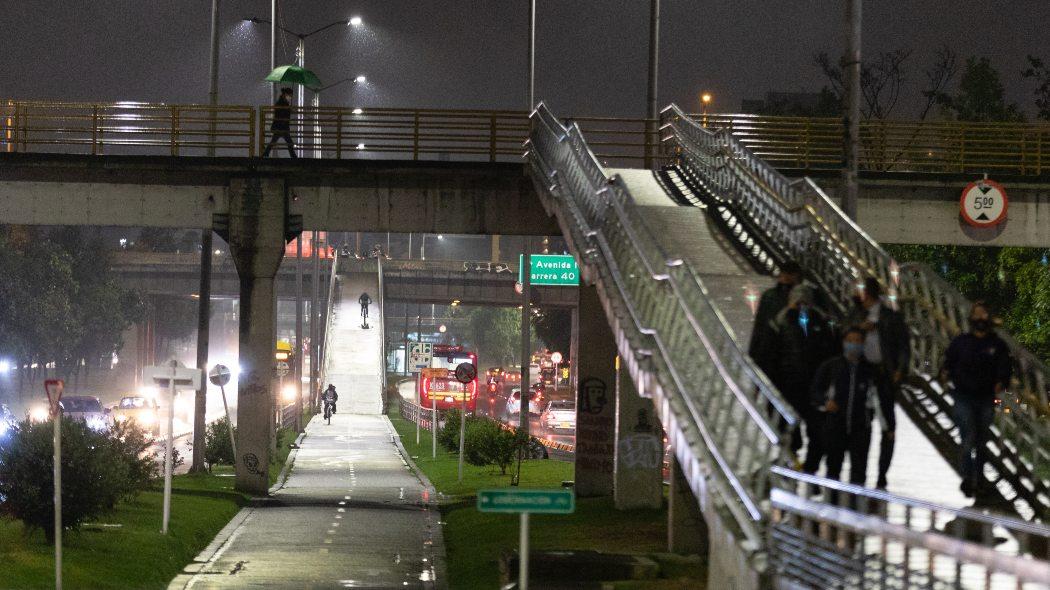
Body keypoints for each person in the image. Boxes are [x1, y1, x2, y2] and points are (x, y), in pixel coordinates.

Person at [942, 302, 1011, 498]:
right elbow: (949, 362)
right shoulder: (961, 342)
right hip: (963, 396)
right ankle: (967, 475)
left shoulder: (997, 345)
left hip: (986, 398)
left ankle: (978, 477)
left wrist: (1001, 383)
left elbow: (1005, 369)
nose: (980, 319)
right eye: (977, 315)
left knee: (981, 441)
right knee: (968, 436)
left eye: (984, 315)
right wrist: (946, 374)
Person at [811, 326, 894, 485]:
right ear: (843, 342)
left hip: (861, 427)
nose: (854, 345)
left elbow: (882, 400)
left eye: (857, 341)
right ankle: (832, 503)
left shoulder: (870, 372)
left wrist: (889, 426)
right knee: (833, 468)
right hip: (835, 425)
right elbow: (815, 391)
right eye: (850, 341)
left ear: (863, 344)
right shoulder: (831, 367)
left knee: (859, 471)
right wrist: (825, 403)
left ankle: (855, 504)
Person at [767, 284, 839, 464]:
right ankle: (791, 462)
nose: (801, 305)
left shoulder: (821, 322)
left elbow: (831, 351)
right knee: (788, 430)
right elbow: (769, 351)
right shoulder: (781, 321)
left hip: (813, 386)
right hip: (788, 384)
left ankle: (809, 470)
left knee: (817, 432)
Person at [849, 277, 908, 489]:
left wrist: (900, 371)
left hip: (884, 375)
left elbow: (903, 346)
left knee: (888, 426)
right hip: (863, 374)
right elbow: (846, 334)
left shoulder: (890, 317)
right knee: (861, 425)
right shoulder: (856, 315)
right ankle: (859, 473)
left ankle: (882, 473)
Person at [749, 260, 804, 377]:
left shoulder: (771, 296)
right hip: (775, 353)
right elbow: (760, 327)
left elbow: (759, 327)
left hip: (778, 354)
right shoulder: (770, 296)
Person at [262, 87, 296, 158]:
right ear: (285, 95)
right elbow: (283, 114)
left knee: (274, 141)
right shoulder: (283, 103)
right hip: (282, 126)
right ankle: (293, 156)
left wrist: (289, 108)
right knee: (289, 142)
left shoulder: (282, 103)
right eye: (289, 95)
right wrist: (289, 109)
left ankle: (265, 154)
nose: (290, 97)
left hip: (279, 126)